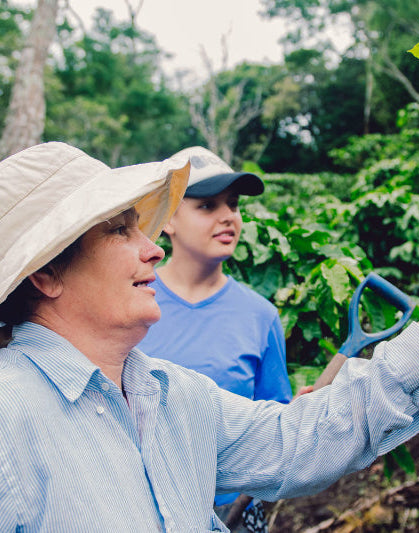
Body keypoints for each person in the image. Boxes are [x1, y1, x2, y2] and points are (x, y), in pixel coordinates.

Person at [0, 142, 419, 532]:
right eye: (119, 231)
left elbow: (290, 442)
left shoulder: (171, 393)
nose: (152, 247)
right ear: (46, 274)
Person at [137, 146, 293, 532]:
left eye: (234, 204)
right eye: (207, 206)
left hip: (233, 512)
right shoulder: (134, 304)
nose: (228, 217)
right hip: (142, 508)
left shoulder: (260, 316)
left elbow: (274, 424)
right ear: (167, 219)